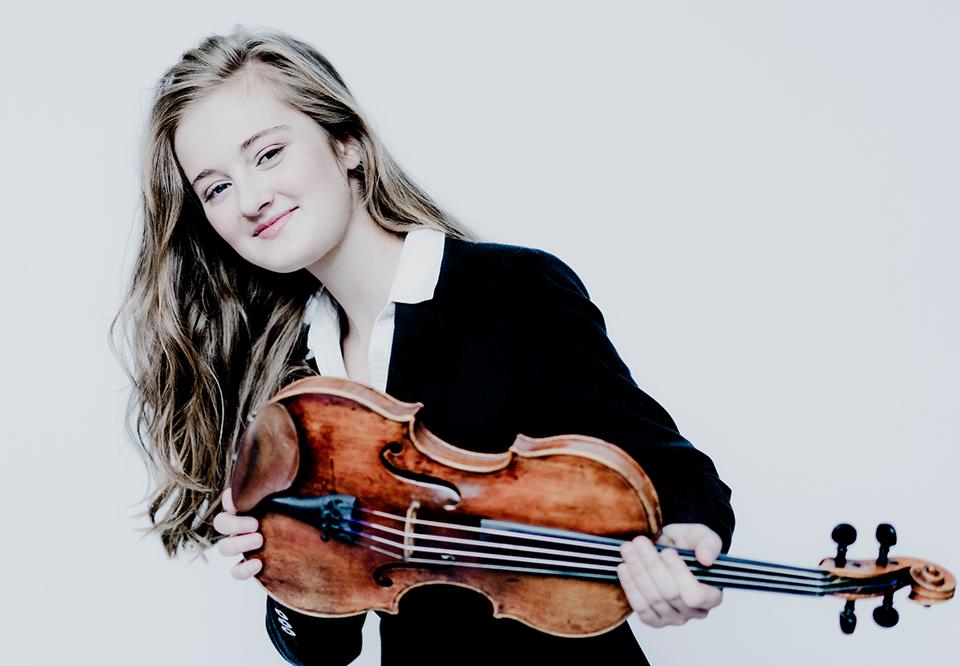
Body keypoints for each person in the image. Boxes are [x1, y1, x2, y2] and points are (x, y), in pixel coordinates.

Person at [114, 26, 735, 665]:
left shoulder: (508, 291)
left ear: (347, 144)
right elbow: (328, 650)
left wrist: (684, 552)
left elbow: (676, 473)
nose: (249, 199)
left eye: (267, 154)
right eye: (214, 187)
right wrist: (282, 566)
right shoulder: (289, 377)